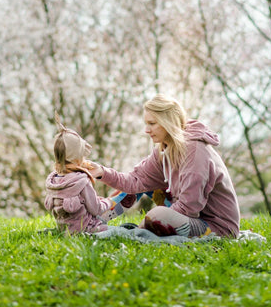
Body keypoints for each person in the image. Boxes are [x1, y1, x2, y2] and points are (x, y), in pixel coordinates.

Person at [89, 94, 240, 238]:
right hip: (188, 216)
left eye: (152, 124)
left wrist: (148, 224)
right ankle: (93, 222)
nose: (147, 130)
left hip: (217, 228)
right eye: (146, 123)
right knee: (133, 190)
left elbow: (189, 208)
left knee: (157, 216)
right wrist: (102, 172)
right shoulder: (163, 149)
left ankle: (141, 230)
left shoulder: (195, 152)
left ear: (169, 122)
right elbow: (135, 180)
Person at [44, 113, 114, 234]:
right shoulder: (81, 181)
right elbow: (96, 209)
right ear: (77, 158)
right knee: (124, 230)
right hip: (88, 229)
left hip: (65, 231)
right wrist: (108, 202)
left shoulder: (54, 181)